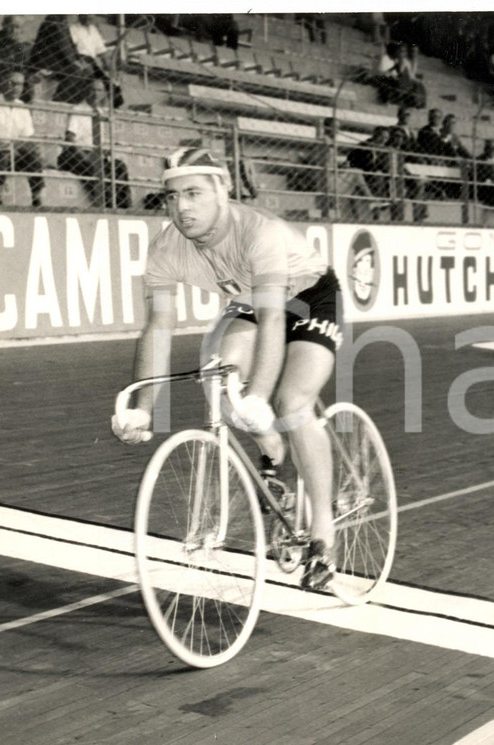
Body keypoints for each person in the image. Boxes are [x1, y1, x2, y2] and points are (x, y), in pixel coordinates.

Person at [111, 148, 342, 590]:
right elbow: (159, 326)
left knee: (292, 402)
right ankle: (273, 451)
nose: (182, 207)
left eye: (194, 193)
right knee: (221, 384)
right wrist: (144, 408)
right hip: (253, 302)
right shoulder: (165, 248)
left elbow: (275, 318)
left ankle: (323, 540)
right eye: (172, 196)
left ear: (223, 190)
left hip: (309, 295)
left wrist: (260, 394)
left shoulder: (258, 232)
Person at [57, 78, 132, 208]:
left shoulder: (101, 113)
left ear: (103, 93)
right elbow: (70, 139)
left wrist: (104, 152)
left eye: (99, 90)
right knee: (95, 169)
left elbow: (97, 141)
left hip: (94, 154)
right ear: (86, 91)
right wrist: (85, 156)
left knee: (120, 167)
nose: (96, 93)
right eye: (93, 89)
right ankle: (107, 205)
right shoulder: (78, 109)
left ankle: (124, 206)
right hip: (74, 154)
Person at [0, 70, 45, 207]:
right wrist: (9, 146)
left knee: (33, 157)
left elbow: (28, 138)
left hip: (15, 152)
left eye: (19, 84)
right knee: (3, 153)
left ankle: (37, 199)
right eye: (12, 83)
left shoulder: (22, 107)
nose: (15, 88)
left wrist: (21, 146)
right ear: (3, 84)